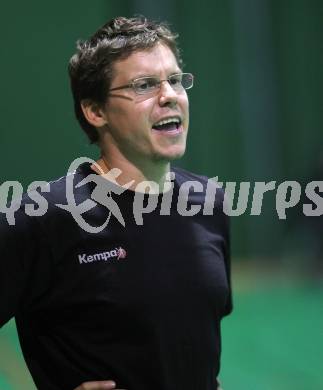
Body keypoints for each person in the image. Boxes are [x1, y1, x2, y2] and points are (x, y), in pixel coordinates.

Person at [0, 16, 232, 390]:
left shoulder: (209, 204)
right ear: (96, 111)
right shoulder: (43, 217)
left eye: (174, 80)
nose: (169, 94)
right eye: (144, 85)